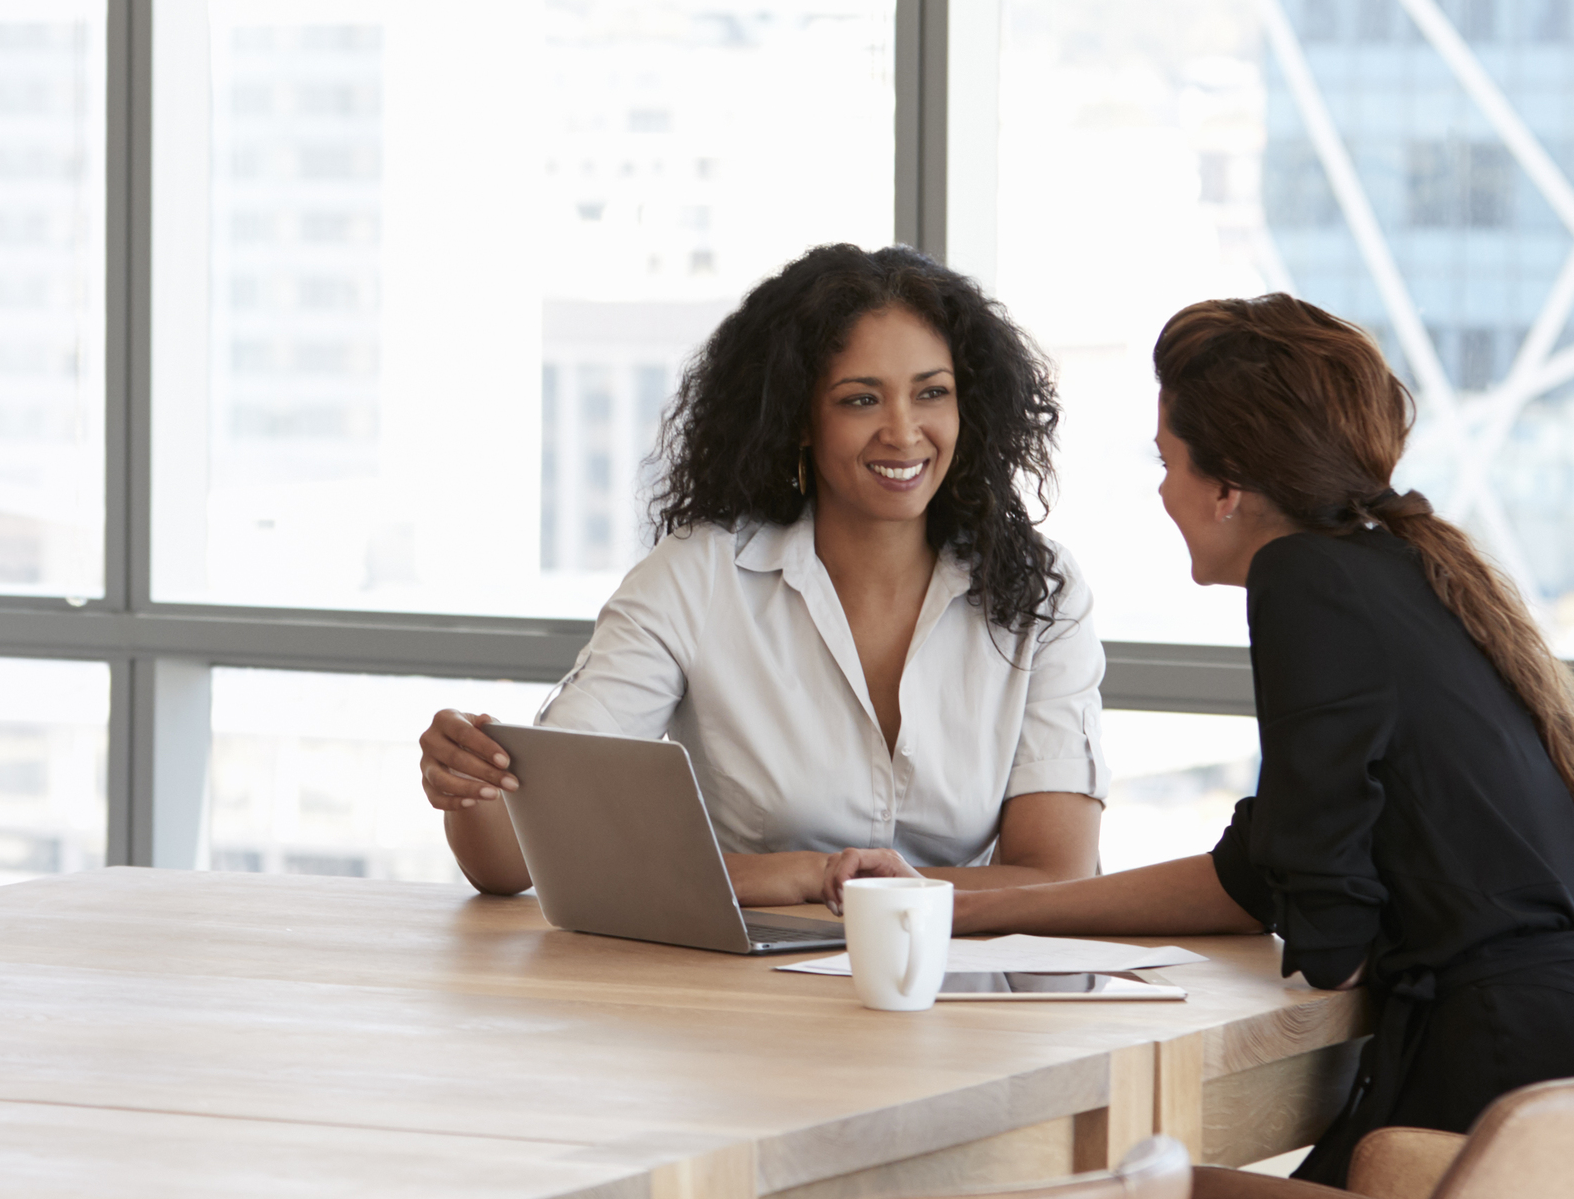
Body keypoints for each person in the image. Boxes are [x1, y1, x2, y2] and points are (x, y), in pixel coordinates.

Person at [950, 293, 1574, 1186]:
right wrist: (973, 906)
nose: (1163, 490)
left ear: (1228, 486)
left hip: (1491, 1076)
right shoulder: (1398, 569)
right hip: (1561, 1054)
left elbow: (1328, 924)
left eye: (1168, 462)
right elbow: (1259, 872)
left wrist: (1327, 920)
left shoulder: (1303, 577)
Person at [417, 244, 1107, 908]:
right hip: (736, 996)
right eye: (860, 400)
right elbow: (515, 856)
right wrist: (469, 778)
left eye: (931, 393)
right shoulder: (699, 577)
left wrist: (841, 887)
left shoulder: (1040, 593)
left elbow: (1056, 875)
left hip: (950, 991)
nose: (902, 432)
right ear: (799, 418)